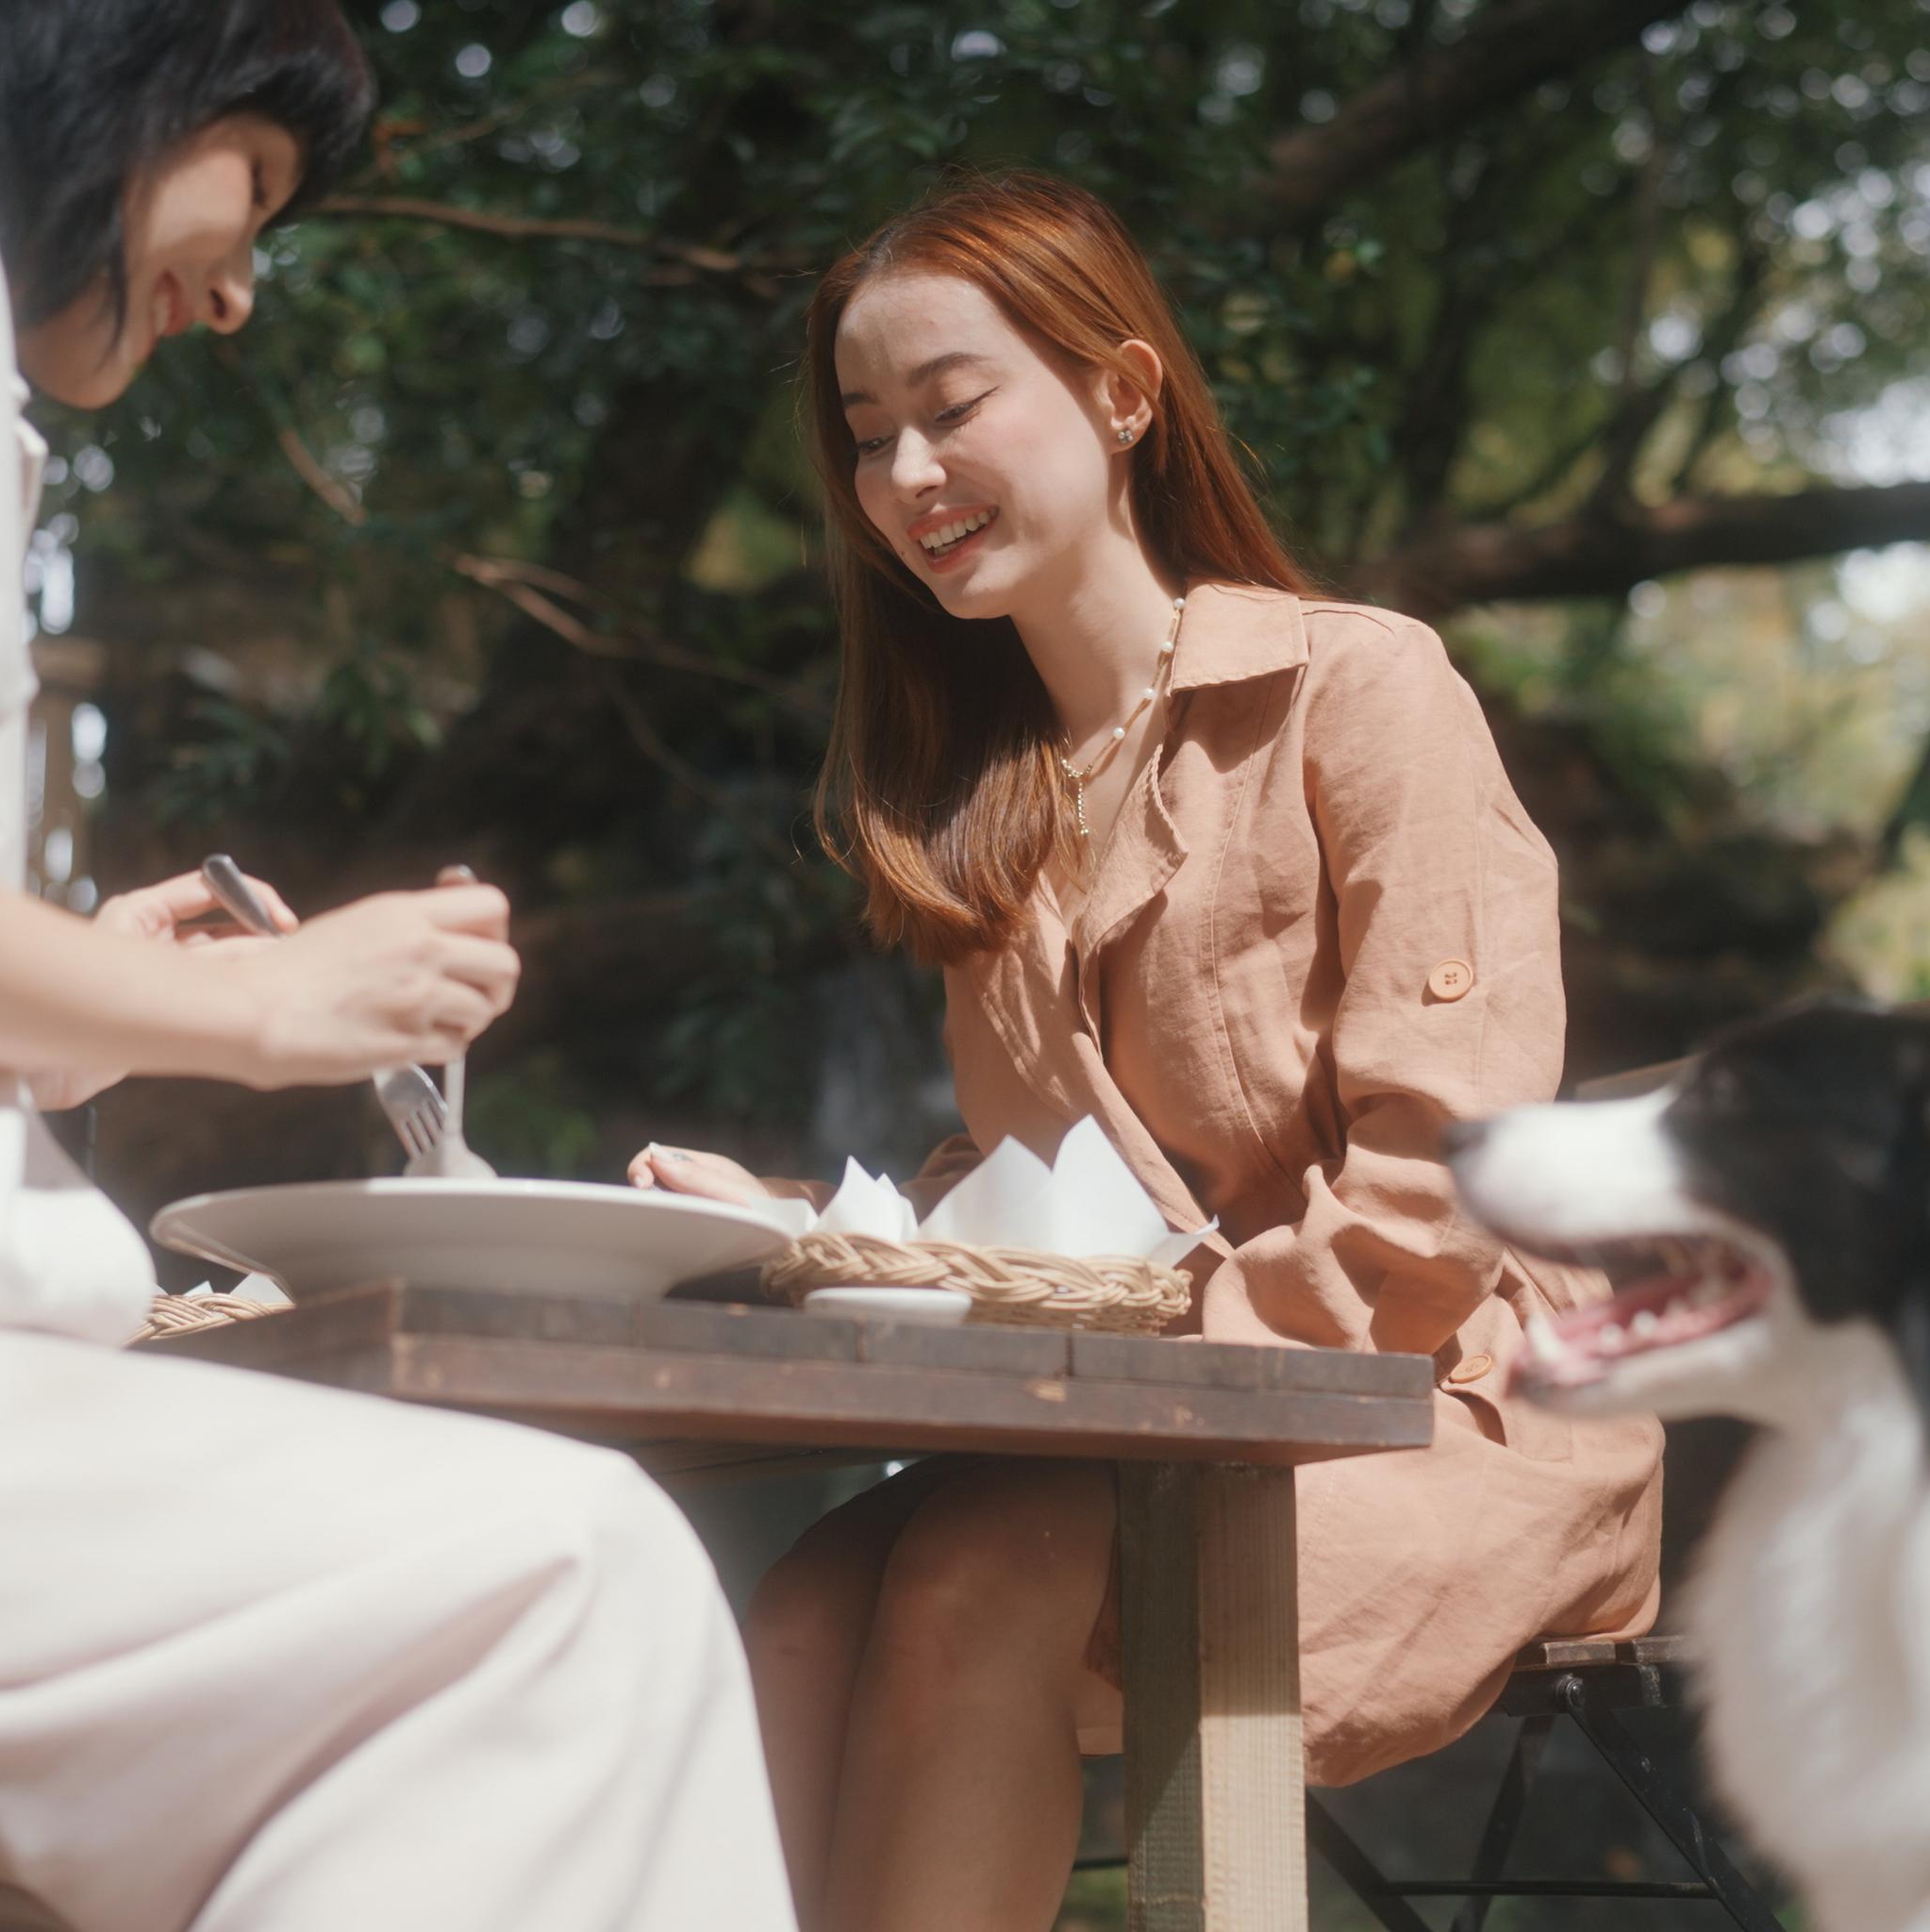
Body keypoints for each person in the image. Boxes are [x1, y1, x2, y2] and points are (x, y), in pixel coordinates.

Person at [0, 6, 792, 1929]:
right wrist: (262, 1004)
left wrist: (46, 1019)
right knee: (566, 1585)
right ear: (101, 67)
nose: (240, 292)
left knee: (188, 1786)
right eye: (254, 184)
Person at [632, 171, 1665, 1931]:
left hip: (1437, 1407)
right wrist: (805, 1231)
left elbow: (1441, 1192)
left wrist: (1150, 1372)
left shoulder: (1363, 689)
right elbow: (1039, 1199)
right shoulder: (987, 812)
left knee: (976, 1565)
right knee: (796, 1607)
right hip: (1140, 1426)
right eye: (870, 439)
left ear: (1123, 393)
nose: (906, 480)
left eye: (952, 409)